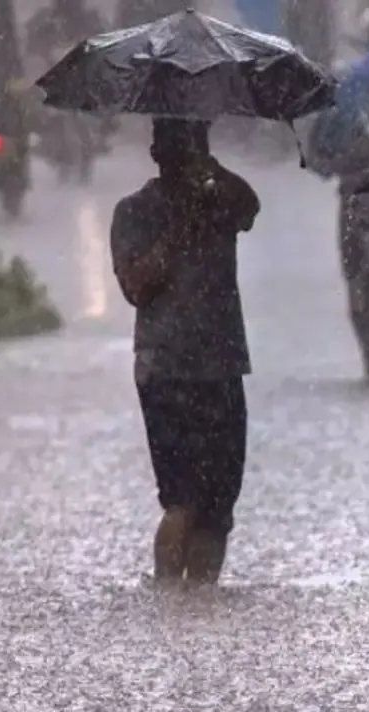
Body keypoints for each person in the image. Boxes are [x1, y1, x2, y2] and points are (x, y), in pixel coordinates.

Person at [110, 118, 261, 588]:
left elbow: (251, 207)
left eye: (197, 144)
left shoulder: (222, 202)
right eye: (182, 145)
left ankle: (200, 603)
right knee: (182, 500)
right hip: (167, 370)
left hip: (222, 366)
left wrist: (210, 177)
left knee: (218, 507)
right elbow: (136, 286)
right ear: (157, 152)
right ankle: (169, 600)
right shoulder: (134, 211)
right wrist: (178, 229)